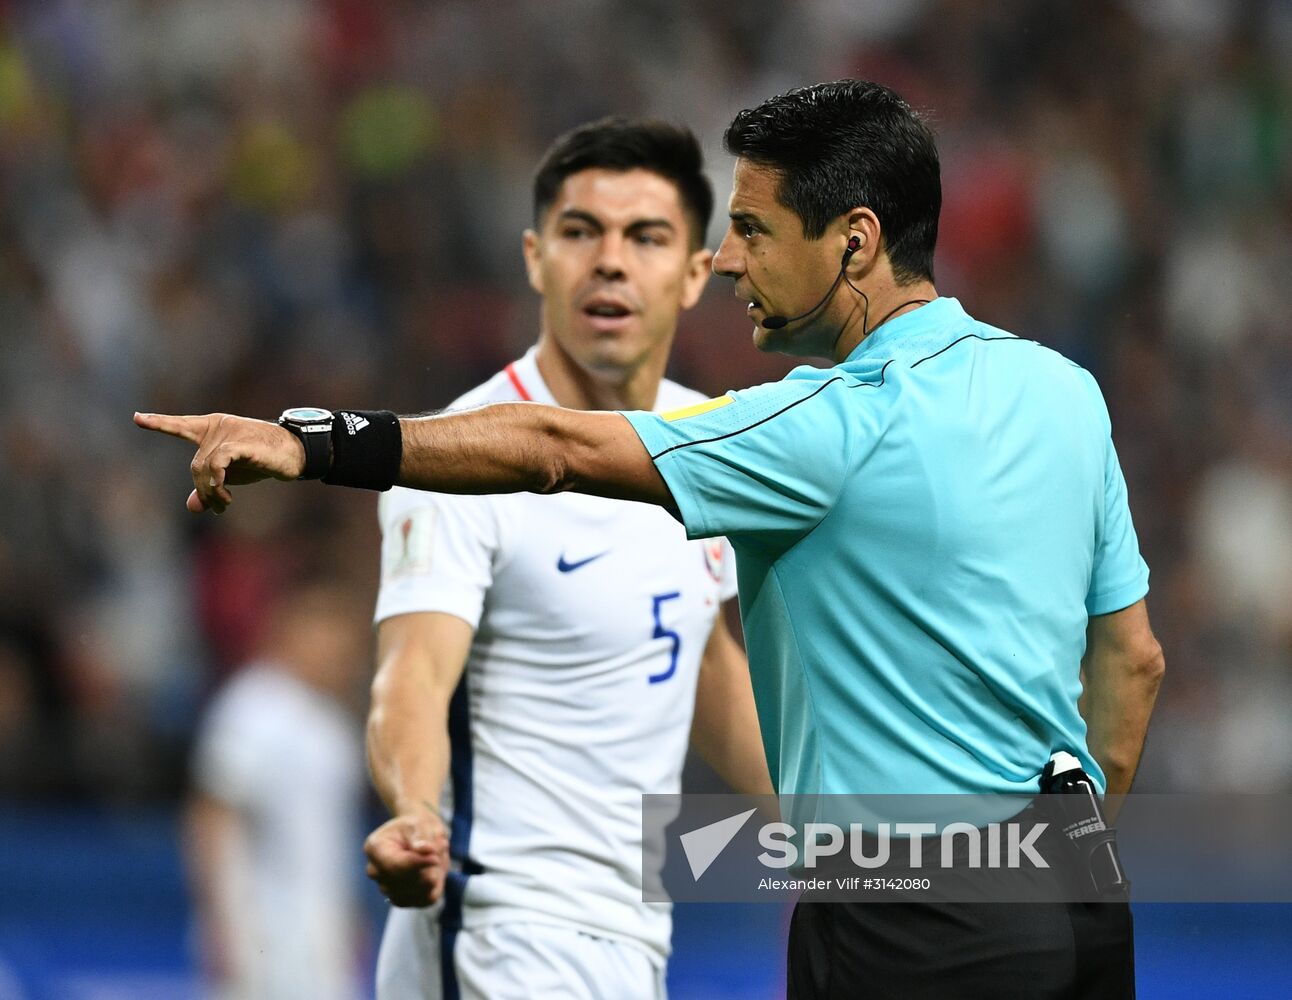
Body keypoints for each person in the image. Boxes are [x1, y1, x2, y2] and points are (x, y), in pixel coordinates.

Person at [140, 79, 1165, 998]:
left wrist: (312, 441)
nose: (730, 263)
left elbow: (549, 449)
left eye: (754, 231)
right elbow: (1132, 658)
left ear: (851, 239)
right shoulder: (1062, 391)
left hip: (906, 916)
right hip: (1073, 898)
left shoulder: (814, 423)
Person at [371, 118, 769, 1000]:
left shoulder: (710, 443)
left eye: (647, 236)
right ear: (535, 257)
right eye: (581, 232)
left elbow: (695, 658)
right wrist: (412, 813)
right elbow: (411, 676)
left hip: (628, 931)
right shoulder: (454, 458)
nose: (611, 261)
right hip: (497, 924)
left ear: (697, 272)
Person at [184, 580, 369, 1000]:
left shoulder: (333, 723)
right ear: (290, 629)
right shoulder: (253, 706)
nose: (338, 650)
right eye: (325, 631)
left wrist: (347, 913)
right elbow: (211, 815)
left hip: (321, 933)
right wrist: (221, 922)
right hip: (260, 933)